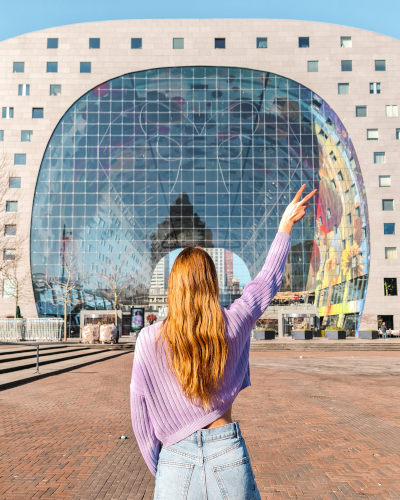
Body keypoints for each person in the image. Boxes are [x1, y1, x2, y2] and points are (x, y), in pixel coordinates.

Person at [130, 185, 317, 499]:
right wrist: (285, 227)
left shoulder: (148, 340)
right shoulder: (233, 322)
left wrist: (165, 467)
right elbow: (265, 284)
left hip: (174, 460)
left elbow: (141, 420)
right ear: (212, 284)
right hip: (227, 453)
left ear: (173, 287)